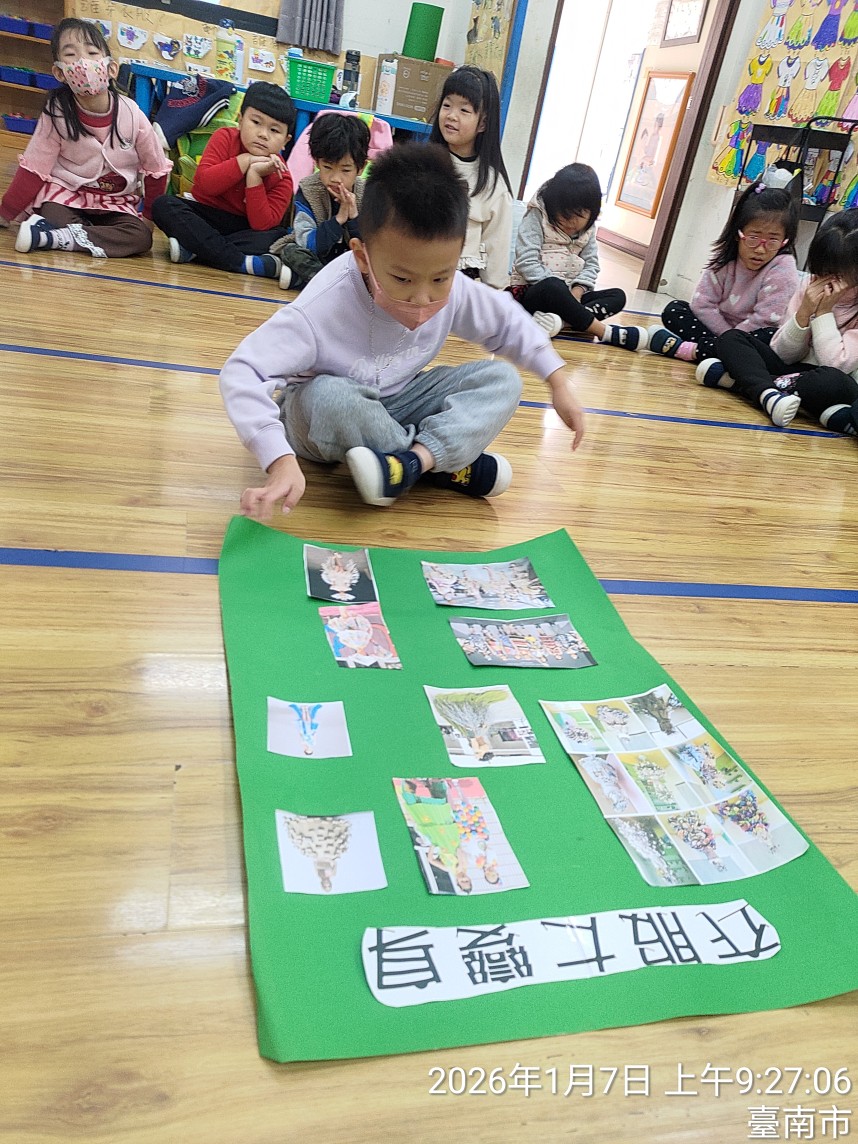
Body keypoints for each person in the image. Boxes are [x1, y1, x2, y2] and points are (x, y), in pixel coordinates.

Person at [219, 143, 585, 514]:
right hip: (320, 418)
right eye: (402, 279)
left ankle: (410, 464)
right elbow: (243, 371)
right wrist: (278, 459)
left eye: (440, 278)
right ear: (362, 257)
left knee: (502, 381)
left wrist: (557, 381)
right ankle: (441, 465)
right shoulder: (322, 306)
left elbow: (506, 320)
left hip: (399, 401)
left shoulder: (453, 288)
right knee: (331, 396)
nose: (423, 299)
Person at [0, 18, 172, 256]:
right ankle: (77, 236)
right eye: (71, 55)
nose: (83, 62)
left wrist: (149, 220)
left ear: (111, 68)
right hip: (67, 195)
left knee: (141, 237)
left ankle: (59, 237)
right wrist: (5, 212)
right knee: (51, 213)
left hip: (115, 202)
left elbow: (156, 169)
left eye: (92, 52)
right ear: (60, 72)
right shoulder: (57, 112)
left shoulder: (132, 114)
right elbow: (34, 168)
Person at [697, 208, 858, 434]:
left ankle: (745, 383)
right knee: (732, 339)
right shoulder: (810, 285)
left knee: (830, 382)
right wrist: (804, 312)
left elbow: (836, 364)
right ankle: (769, 394)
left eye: (840, 276)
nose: (827, 282)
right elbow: (783, 354)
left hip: (830, 377)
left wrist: (823, 313)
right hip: (793, 369)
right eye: (823, 272)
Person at [150, 82, 295, 281]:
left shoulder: (282, 175)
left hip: (243, 228)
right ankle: (240, 262)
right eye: (256, 122)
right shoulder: (224, 137)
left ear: (286, 141)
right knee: (163, 205)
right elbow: (203, 186)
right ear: (240, 120)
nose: (263, 134)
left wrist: (254, 177)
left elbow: (261, 225)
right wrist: (244, 161)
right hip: (206, 216)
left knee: (277, 237)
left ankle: (196, 249)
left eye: (274, 130)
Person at [648, 180, 799, 362]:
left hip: (750, 337)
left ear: (785, 241)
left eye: (773, 241)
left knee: (769, 336)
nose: (760, 249)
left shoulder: (783, 267)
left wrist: (732, 340)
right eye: (753, 238)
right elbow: (702, 304)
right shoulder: (725, 259)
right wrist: (726, 339)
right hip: (718, 332)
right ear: (737, 234)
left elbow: (766, 319)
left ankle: (697, 350)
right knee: (674, 310)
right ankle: (718, 354)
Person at [509, 163, 648, 350]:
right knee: (553, 285)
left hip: (572, 296)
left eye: (580, 215)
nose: (572, 222)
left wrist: (578, 291)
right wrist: (563, 293)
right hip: (536, 294)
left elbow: (592, 265)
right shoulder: (537, 217)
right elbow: (526, 262)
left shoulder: (588, 230)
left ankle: (560, 322)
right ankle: (605, 332)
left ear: (592, 212)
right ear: (553, 206)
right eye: (565, 215)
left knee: (617, 296)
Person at [429, 65, 513, 289]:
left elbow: (496, 256)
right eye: (447, 105)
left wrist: (493, 296)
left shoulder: (493, 186)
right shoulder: (420, 164)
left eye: (464, 110)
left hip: (460, 285)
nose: (451, 115)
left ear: (483, 123)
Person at [273, 112, 370, 291]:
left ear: (361, 168)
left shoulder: (367, 193)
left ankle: (303, 280)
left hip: (351, 261)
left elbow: (368, 248)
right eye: (327, 167)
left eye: (345, 170)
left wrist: (353, 215)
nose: (335, 178)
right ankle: (334, 286)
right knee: (291, 251)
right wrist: (339, 219)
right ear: (317, 162)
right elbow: (307, 243)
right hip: (319, 258)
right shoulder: (309, 190)